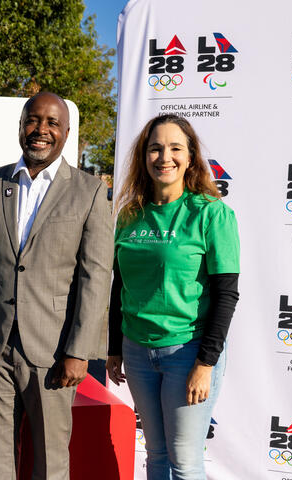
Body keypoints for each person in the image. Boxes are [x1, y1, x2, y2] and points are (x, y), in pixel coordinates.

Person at [0, 92, 113, 479]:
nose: (41, 129)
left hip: (54, 352)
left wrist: (79, 351)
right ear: (21, 126)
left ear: (66, 132)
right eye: (33, 120)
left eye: (52, 123)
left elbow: (95, 276)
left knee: (50, 461)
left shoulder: (89, 191)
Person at [106, 114, 240, 479]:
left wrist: (205, 364)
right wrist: (115, 347)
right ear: (143, 156)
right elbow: (120, 284)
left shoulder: (211, 214)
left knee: (184, 461)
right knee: (156, 454)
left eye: (175, 148)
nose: (165, 157)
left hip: (188, 352)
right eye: (155, 148)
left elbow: (226, 294)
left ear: (191, 156)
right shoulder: (130, 215)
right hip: (137, 351)